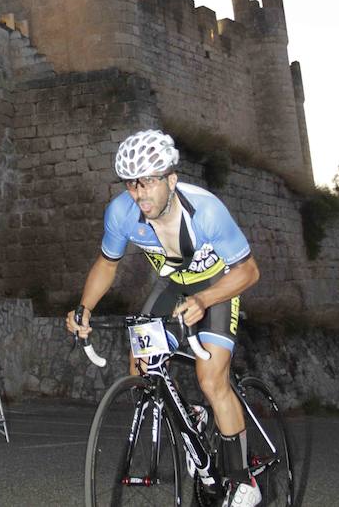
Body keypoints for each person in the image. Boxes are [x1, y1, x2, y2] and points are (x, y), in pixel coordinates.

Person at [66, 130, 262, 507]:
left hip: (218, 287)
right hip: (173, 285)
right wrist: (85, 307)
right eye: (131, 184)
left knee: (211, 378)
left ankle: (243, 480)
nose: (139, 194)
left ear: (171, 179)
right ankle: (190, 417)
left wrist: (205, 299)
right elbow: (107, 264)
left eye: (149, 182)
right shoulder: (122, 213)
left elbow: (249, 272)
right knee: (141, 365)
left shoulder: (206, 211)